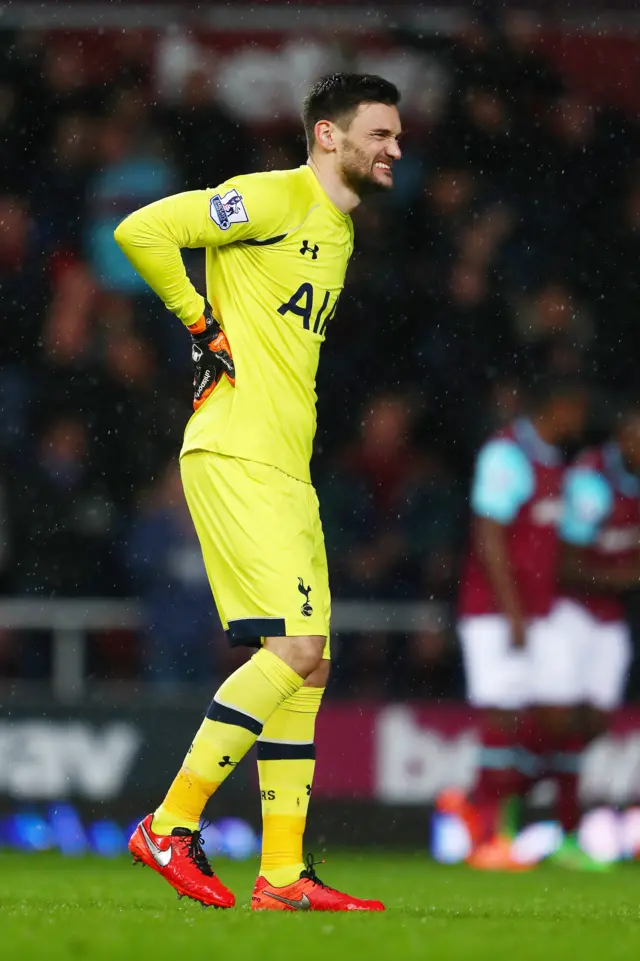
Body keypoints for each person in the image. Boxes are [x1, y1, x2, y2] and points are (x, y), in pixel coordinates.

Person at [114, 73, 401, 911]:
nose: (393, 148)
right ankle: (171, 823)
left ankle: (281, 872)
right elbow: (144, 229)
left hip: (284, 462)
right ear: (327, 136)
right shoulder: (272, 197)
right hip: (239, 452)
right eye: (379, 133)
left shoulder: (338, 232)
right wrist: (198, 323)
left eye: (396, 135)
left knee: (310, 663)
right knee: (294, 651)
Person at [442, 375, 589, 870]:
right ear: (559, 406)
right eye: (577, 409)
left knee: (562, 717)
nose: (582, 420)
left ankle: (473, 804)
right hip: (495, 613)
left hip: (542, 612)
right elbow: (489, 535)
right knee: (502, 718)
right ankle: (490, 837)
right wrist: (513, 612)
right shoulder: (506, 455)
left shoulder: (553, 461)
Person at [546, 399, 640, 865]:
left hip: (610, 620)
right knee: (561, 719)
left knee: (597, 722)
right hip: (570, 615)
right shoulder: (590, 482)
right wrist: (627, 578)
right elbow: (565, 566)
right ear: (624, 437)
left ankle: (577, 815)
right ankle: (551, 820)